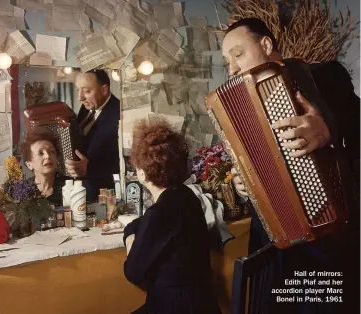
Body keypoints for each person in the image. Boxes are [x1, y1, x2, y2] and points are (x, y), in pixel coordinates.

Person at [222, 18, 359, 314]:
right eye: (226, 61)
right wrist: (243, 183)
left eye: (237, 54)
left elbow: (356, 123)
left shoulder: (324, 76)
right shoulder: (239, 108)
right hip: (274, 245)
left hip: (325, 243)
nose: (231, 68)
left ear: (266, 45)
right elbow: (249, 162)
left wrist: (327, 129)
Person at [123, 118, 221, 314]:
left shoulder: (159, 213)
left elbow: (133, 272)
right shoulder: (187, 196)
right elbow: (146, 224)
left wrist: (130, 238)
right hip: (204, 304)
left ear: (142, 174)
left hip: (174, 307)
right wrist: (133, 228)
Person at [65, 69, 120, 202]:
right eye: (78, 90)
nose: (80, 97)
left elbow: (125, 164)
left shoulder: (119, 115)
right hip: (80, 191)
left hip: (103, 195)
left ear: (104, 90)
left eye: (87, 91)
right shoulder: (87, 107)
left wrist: (89, 168)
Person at [21, 129, 65, 207]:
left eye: (52, 152)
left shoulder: (68, 187)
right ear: (29, 165)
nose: (47, 156)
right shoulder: (22, 191)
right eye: (40, 153)